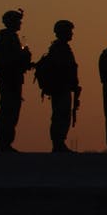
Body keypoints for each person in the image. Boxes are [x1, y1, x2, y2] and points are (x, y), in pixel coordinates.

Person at [0, 9, 32, 152]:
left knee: (12, 111)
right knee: (8, 110)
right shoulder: (6, 37)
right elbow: (6, 60)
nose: (20, 24)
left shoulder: (10, 37)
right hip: (9, 79)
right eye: (18, 21)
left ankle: (6, 143)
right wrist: (23, 56)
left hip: (14, 78)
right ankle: (3, 143)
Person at [42, 20, 81, 153]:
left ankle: (59, 143)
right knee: (60, 114)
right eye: (69, 31)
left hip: (64, 86)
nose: (71, 34)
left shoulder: (62, 47)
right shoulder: (58, 48)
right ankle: (58, 143)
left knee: (63, 114)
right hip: (60, 87)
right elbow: (61, 68)